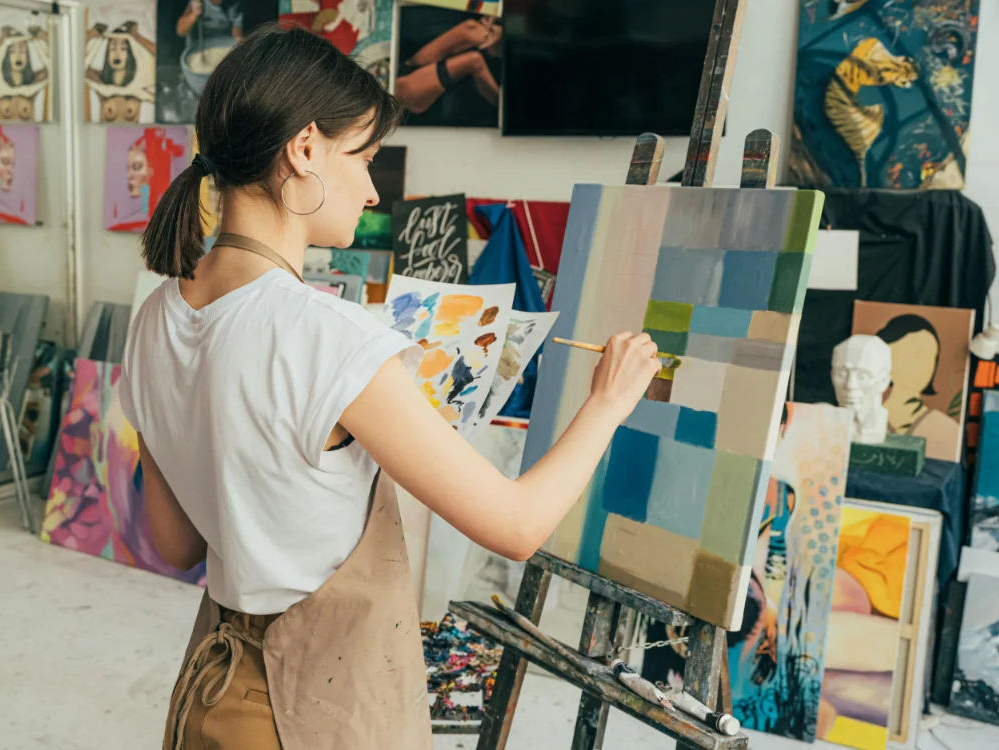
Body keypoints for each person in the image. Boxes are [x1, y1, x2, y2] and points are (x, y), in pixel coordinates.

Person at [125, 25, 659, 749]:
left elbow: (175, 543)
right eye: (365, 157)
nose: (374, 186)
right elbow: (517, 525)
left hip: (211, 694)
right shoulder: (327, 334)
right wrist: (609, 401)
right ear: (305, 149)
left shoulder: (156, 312)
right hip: (311, 706)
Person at [875, 314, 958, 459]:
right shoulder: (866, 417)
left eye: (930, 356)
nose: (922, 366)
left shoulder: (947, 428)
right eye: (913, 354)